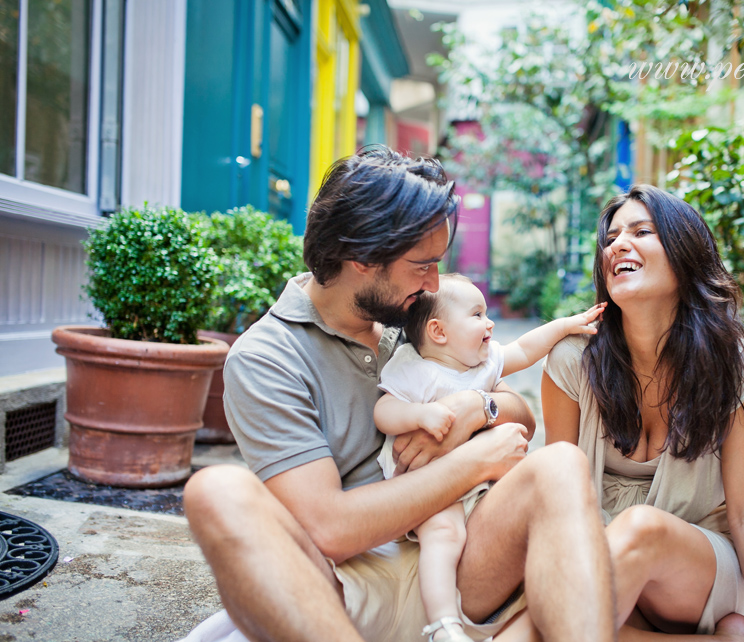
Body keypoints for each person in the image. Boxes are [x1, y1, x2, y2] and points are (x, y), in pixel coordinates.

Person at [178, 146, 616, 642]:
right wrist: (470, 462)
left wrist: (473, 409)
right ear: (362, 256)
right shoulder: (267, 357)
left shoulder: (410, 323)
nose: (434, 283)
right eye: (421, 264)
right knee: (216, 491)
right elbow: (331, 529)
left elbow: (517, 417)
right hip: (343, 597)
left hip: (463, 563)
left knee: (561, 463)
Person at [538, 185, 744, 641]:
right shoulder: (571, 360)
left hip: (693, 569)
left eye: (642, 231)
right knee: (549, 599)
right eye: (612, 237)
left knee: (634, 535)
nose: (618, 244)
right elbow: (555, 500)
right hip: (599, 566)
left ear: (683, 253)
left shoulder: (728, 360)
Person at [374, 273, 606, 642]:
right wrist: (419, 416)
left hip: (480, 482)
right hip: (428, 481)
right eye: (477, 314)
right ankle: (443, 624)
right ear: (438, 332)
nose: (490, 322)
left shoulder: (484, 364)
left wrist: (565, 326)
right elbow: (383, 410)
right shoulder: (414, 367)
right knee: (444, 535)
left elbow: (527, 349)